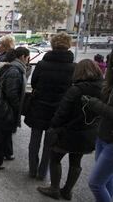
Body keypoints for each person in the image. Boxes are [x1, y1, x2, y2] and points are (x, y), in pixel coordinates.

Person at [37, 59, 103, 200]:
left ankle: (54, 188)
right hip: (88, 132)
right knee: (76, 161)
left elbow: (63, 111)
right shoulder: (103, 88)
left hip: (68, 131)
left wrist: (53, 126)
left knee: (55, 158)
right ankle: (67, 190)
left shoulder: (76, 89)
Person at [24, 32, 75, 180]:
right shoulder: (73, 67)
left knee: (34, 141)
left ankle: (32, 170)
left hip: (39, 107)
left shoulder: (42, 64)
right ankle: (42, 173)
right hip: (59, 110)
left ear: (53, 45)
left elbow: (34, 83)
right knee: (50, 143)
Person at [0, 47, 29, 170]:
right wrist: (17, 107)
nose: (28, 60)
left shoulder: (14, 68)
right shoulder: (15, 71)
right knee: (1, 136)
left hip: (4, 107)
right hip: (6, 109)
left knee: (3, 135)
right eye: (27, 58)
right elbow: (11, 93)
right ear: (22, 57)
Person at [85, 53, 113, 202]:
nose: (107, 66)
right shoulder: (107, 83)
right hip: (103, 134)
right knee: (106, 179)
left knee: (95, 183)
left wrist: (94, 104)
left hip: (110, 139)